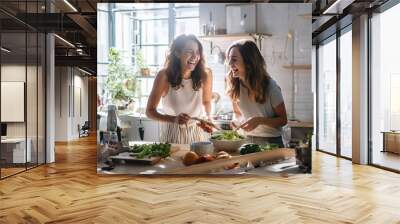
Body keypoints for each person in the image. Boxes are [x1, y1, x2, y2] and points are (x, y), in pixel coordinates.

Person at [146, 34, 213, 144]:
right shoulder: (164, 76)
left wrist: (208, 116)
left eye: (197, 52)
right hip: (172, 134)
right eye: (189, 51)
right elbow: (149, 112)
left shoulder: (205, 74)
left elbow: (206, 102)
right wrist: (174, 119)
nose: (195, 56)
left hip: (196, 133)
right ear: (177, 53)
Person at [226, 40, 287, 147]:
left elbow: (283, 120)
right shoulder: (235, 85)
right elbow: (237, 113)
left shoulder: (270, 86)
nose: (230, 64)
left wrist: (259, 121)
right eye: (229, 59)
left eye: (234, 60)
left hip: (271, 142)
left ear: (248, 62)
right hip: (246, 140)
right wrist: (236, 121)